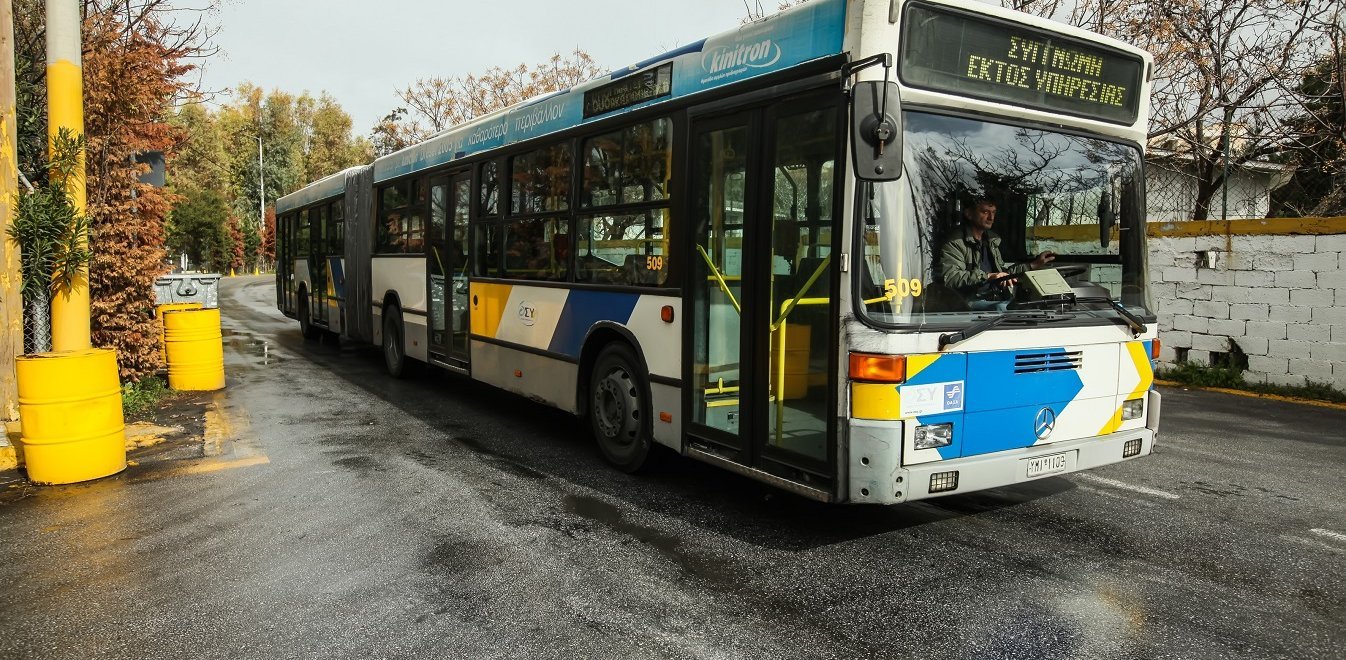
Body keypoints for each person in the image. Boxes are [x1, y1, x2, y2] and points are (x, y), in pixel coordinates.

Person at [939, 198, 1055, 311]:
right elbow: (950, 277)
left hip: (997, 297)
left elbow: (1003, 274)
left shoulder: (991, 241)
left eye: (993, 212)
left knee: (1036, 305)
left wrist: (1033, 264)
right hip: (969, 301)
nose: (991, 217)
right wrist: (988, 276)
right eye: (985, 212)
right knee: (1002, 308)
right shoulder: (955, 242)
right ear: (969, 214)